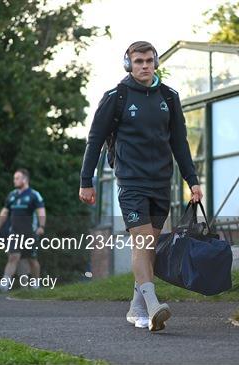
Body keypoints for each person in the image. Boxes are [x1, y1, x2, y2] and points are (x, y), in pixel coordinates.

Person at [79, 41, 203, 331]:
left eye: (149, 60)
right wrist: (87, 180)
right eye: (138, 61)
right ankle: (152, 305)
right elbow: (95, 139)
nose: (144, 66)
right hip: (131, 182)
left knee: (151, 249)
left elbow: (179, 143)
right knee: (143, 242)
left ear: (155, 63)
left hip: (162, 182)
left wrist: (192, 180)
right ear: (129, 64)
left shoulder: (169, 97)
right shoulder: (117, 96)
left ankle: (136, 310)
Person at [0, 168, 46, 292]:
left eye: (17, 178)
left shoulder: (34, 195)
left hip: (30, 233)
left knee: (32, 260)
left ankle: (36, 283)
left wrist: (41, 226)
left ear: (25, 179)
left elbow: (41, 211)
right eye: (14, 178)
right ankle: (5, 283)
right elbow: (4, 212)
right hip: (15, 232)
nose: (14, 181)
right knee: (13, 256)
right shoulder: (12, 195)